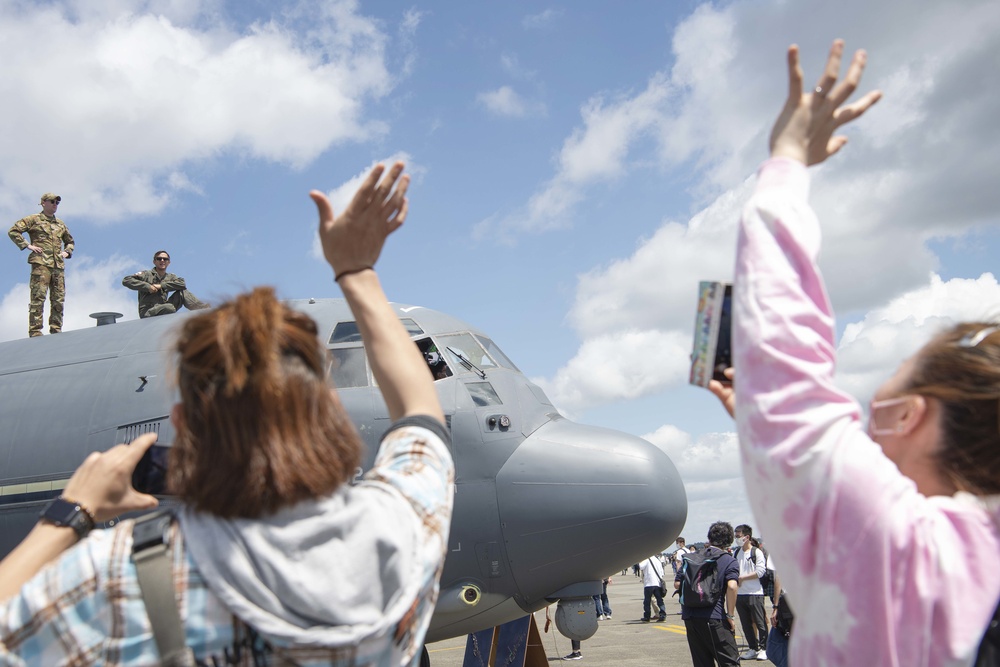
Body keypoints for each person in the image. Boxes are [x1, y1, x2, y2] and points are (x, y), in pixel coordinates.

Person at [0, 162, 456, 665]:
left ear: (182, 423)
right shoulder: (396, 534)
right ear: (326, 412)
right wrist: (358, 273)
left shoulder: (114, 574)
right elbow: (420, 411)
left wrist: (68, 517)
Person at [715, 38, 1000, 665]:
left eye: (893, 380)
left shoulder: (907, 552)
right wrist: (764, 426)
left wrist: (787, 160)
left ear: (909, 415)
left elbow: (786, 367)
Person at [8, 192, 75, 337]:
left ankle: (56, 330)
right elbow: (14, 231)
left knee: (58, 298)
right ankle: (35, 331)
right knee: (38, 296)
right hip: (41, 264)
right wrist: (27, 245)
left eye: (57, 202)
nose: (55, 205)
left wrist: (67, 252)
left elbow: (69, 241)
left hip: (58, 266)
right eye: (52, 201)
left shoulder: (60, 224)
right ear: (43, 202)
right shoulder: (33, 219)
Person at [674, 521, 740, 667]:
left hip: (690, 616)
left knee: (702, 663)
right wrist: (730, 615)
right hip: (713, 616)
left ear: (709, 538)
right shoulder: (728, 560)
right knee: (730, 661)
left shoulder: (691, 557)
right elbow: (732, 586)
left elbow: (677, 583)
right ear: (729, 541)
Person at [122, 250, 209, 317]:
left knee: (182, 292)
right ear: (154, 262)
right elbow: (127, 280)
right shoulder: (146, 275)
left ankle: (205, 311)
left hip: (163, 306)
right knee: (169, 308)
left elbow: (182, 283)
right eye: (159, 259)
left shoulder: (170, 277)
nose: (162, 260)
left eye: (165, 259)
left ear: (169, 262)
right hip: (148, 311)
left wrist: (161, 286)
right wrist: (147, 286)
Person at [733, 524, 767, 661]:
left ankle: (764, 648)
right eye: (735, 536)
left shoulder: (756, 552)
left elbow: (760, 571)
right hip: (740, 594)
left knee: (760, 622)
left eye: (738, 536)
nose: (736, 539)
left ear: (747, 537)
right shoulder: (736, 553)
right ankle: (753, 648)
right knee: (746, 623)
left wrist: (742, 578)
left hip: (755, 593)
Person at [639, 555, 666, 622]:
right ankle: (662, 615)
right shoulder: (657, 560)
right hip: (657, 583)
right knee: (660, 600)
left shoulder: (646, 559)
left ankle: (647, 617)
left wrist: (640, 560)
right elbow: (662, 573)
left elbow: (641, 566)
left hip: (649, 583)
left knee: (647, 601)